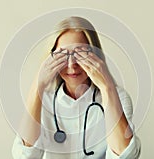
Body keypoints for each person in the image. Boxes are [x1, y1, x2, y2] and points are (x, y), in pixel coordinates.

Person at [12, 16, 141, 159]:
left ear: (95, 55)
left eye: (80, 53)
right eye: (62, 54)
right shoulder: (44, 100)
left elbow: (127, 155)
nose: (71, 64)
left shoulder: (118, 97)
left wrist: (107, 87)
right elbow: (23, 156)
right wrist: (38, 85)